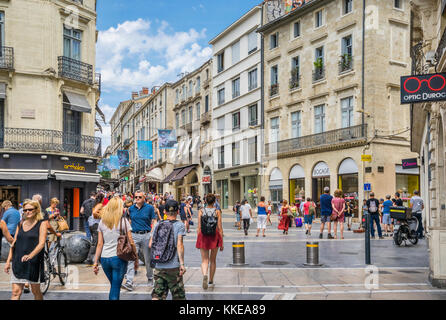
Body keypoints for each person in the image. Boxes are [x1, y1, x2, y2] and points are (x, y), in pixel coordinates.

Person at [93, 197, 136, 300]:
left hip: (104, 259)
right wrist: (136, 257)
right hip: (118, 258)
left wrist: (95, 262)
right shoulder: (123, 221)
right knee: (115, 288)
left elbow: (99, 244)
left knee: (114, 286)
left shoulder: (102, 222)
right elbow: (131, 240)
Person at [4, 200, 48, 300]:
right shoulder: (20, 224)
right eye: (25, 210)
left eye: (30, 209)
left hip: (34, 262)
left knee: (35, 291)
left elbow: (41, 244)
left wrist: (30, 255)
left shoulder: (42, 224)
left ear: (36, 210)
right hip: (18, 261)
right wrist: (8, 261)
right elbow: (13, 244)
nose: (27, 212)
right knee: (16, 292)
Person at [150, 200, 186, 300]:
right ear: (178, 212)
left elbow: (150, 244)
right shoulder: (180, 225)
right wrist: (182, 264)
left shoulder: (158, 225)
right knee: (178, 296)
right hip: (173, 266)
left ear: (165, 211)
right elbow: (180, 245)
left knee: (157, 295)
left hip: (159, 265)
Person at [122, 190, 157, 291]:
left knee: (148, 259)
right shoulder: (131, 209)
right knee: (131, 258)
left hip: (146, 235)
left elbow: (154, 220)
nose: (137, 199)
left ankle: (150, 278)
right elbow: (128, 221)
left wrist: (152, 234)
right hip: (134, 235)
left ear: (144, 198)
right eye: (136, 197)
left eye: (139, 197)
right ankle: (129, 282)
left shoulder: (149, 208)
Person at [196, 194, 223, 290]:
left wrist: (198, 238)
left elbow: (199, 227)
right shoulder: (217, 211)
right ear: (214, 201)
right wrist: (221, 241)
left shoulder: (201, 211)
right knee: (213, 260)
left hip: (203, 236)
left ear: (206, 201)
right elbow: (219, 227)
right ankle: (211, 280)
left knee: (204, 260)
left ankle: (204, 275)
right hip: (214, 236)